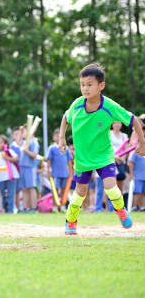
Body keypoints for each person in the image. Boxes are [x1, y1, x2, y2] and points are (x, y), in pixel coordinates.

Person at [59, 63, 145, 235]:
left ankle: (120, 211)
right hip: (83, 158)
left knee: (111, 188)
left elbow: (133, 119)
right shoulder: (76, 104)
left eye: (89, 85)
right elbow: (65, 118)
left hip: (104, 156)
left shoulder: (110, 107)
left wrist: (142, 142)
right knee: (80, 193)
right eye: (82, 85)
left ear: (101, 86)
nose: (85, 88)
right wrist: (61, 138)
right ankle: (71, 220)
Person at [46, 128, 73, 211]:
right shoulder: (52, 148)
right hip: (55, 173)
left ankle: (62, 206)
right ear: (54, 138)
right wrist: (48, 171)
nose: (58, 138)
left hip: (64, 173)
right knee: (55, 191)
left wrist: (70, 171)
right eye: (56, 136)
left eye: (60, 136)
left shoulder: (65, 148)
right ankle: (54, 207)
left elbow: (69, 160)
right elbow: (49, 160)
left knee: (64, 190)